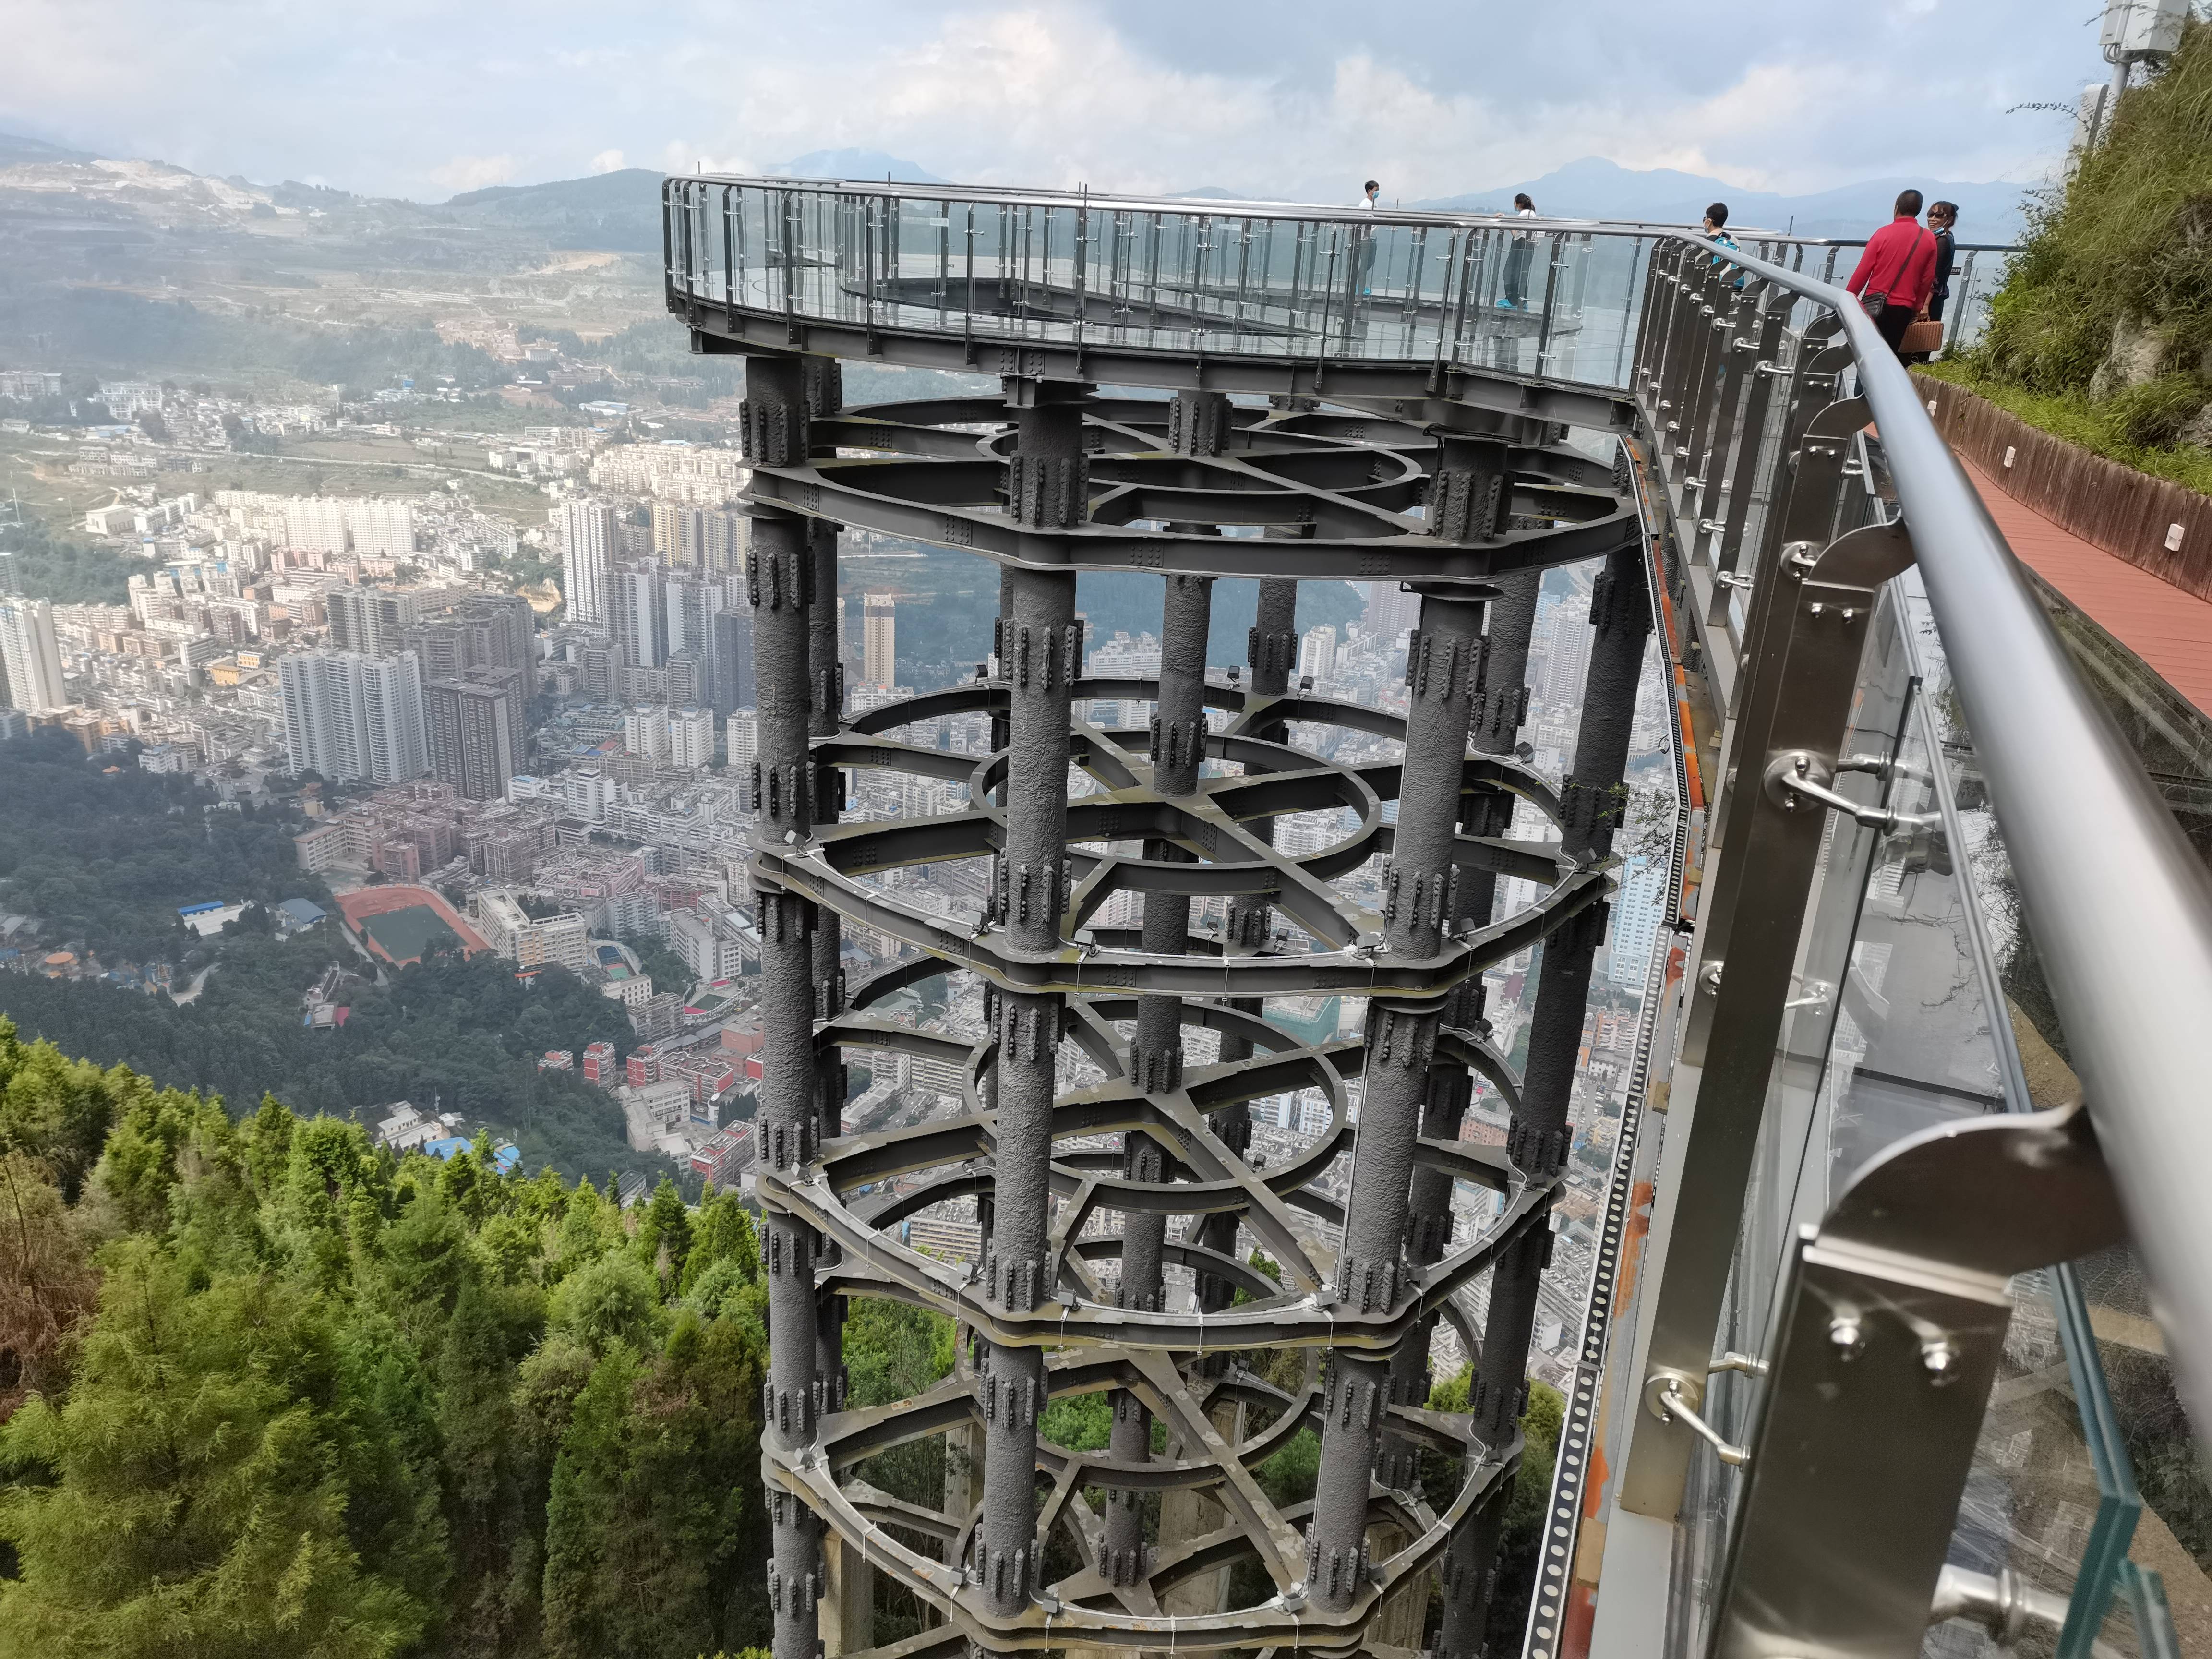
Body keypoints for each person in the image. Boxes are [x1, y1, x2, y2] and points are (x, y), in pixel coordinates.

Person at [1844, 189, 1940, 358]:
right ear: (1918, 211)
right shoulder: (1928, 238)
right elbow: (1927, 279)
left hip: (1874, 306)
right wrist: (1918, 308)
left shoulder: (1883, 233)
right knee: (1887, 356)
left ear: (1896, 208)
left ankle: (1861, 385)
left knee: (1866, 357)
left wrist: (1848, 299)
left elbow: (1864, 270)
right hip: (1903, 310)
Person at [1499, 193, 1537, 310]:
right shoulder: (1531, 213)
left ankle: (1513, 301)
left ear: (1518, 203)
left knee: (1510, 273)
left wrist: (1504, 219)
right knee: (1521, 274)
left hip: (1521, 245)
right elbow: (1518, 232)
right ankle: (1521, 300)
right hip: (1527, 245)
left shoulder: (1525, 214)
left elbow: (1517, 232)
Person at [1703, 201, 1745, 289]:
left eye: (1705, 218)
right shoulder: (1733, 240)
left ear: (1708, 222)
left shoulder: (1706, 242)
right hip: (1731, 288)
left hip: (1712, 288)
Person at [1354, 178, 1379, 295]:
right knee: (1365, 263)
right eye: (1376, 190)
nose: (1377, 192)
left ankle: (1357, 281)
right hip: (1364, 238)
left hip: (1372, 237)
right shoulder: (1364, 204)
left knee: (1371, 262)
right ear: (1370, 191)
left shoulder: (1374, 204)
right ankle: (1359, 287)